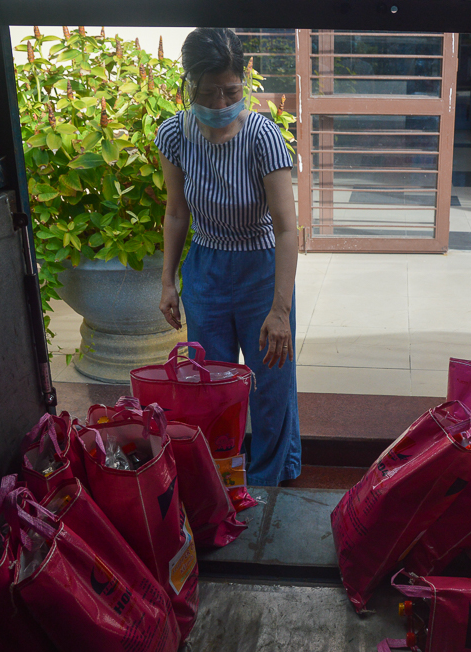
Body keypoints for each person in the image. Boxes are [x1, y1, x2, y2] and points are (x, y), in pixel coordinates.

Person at [156, 28, 301, 487]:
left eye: (231, 91)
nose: (220, 104)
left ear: (244, 82)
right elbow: (177, 212)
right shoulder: (175, 134)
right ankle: (222, 482)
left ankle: (269, 480)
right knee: (213, 387)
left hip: (261, 270)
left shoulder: (263, 136)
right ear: (189, 85)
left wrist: (280, 309)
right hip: (207, 271)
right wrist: (167, 282)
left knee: (270, 386)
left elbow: (286, 228)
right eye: (207, 92)